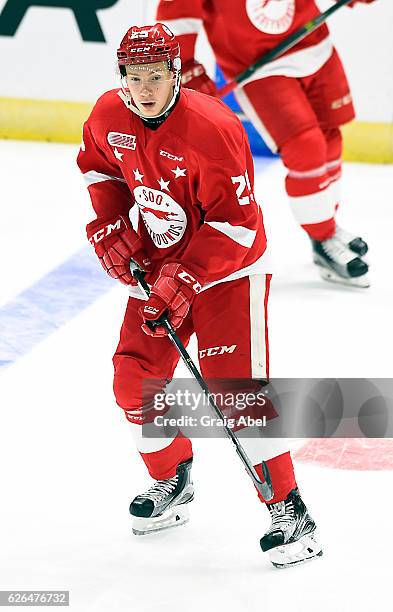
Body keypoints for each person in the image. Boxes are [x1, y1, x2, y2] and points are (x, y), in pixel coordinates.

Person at [77, 23, 322, 568]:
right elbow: (99, 170)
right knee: (133, 377)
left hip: (228, 271)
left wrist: (187, 276)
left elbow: (237, 224)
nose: (144, 89)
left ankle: (292, 513)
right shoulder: (107, 115)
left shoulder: (213, 127)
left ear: (175, 75)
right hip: (163, 262)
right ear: (122, 76)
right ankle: (173, 481)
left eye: (156, 76)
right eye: (134, 77)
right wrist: (109, 224)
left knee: (236, 392)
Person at [156, 0, 376, 288]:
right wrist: (184, 67)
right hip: (260, 66)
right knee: (305, 147)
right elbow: (178, 13)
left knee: (330, 138)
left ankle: (328, 228)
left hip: (315, 45)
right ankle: (323, 239)